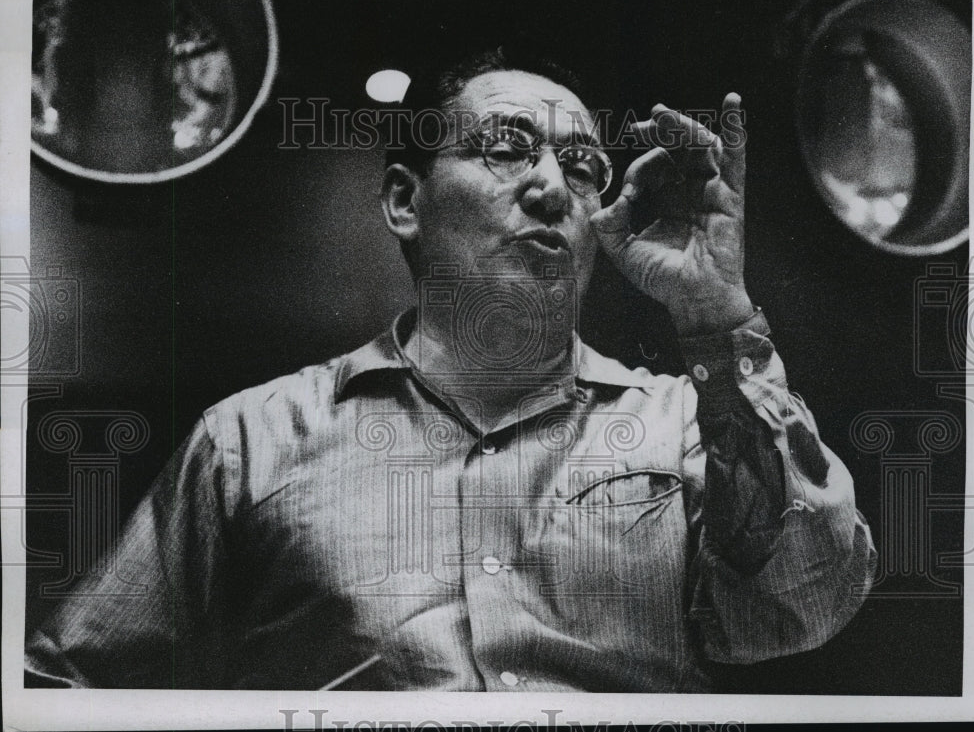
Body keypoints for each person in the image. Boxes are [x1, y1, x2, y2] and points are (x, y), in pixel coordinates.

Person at [25, 47, 877, 691]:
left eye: (584, 166)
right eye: (506, 149)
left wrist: (715, 315)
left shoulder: (683, 423)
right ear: (406, 201)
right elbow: (67, 691)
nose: (553, 185)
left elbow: (802, 601)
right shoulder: (250, 442)